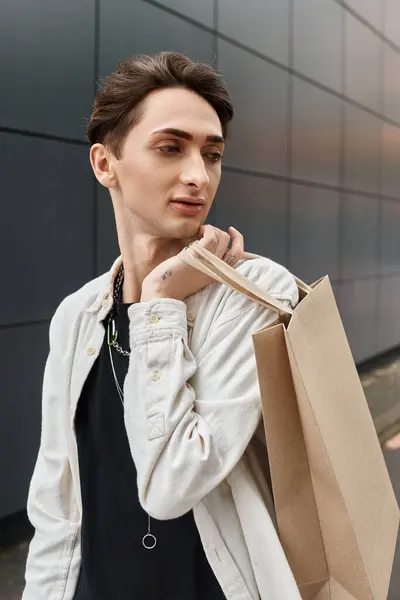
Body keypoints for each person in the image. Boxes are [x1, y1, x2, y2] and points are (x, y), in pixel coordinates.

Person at [23, 52, 301, 600]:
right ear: (106, 165)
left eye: (213, 154)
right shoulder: (77, 316)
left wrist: (159, 301)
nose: (199, 175)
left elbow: (173, 485)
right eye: (170, 148)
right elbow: (56, 505)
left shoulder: (254, 292)